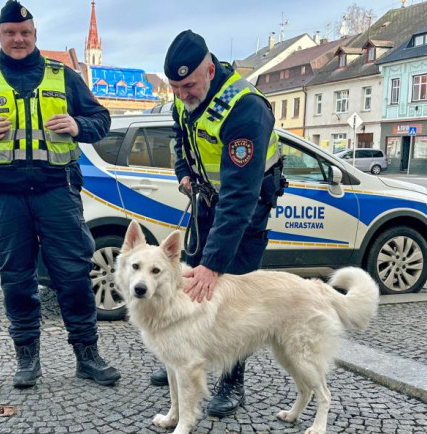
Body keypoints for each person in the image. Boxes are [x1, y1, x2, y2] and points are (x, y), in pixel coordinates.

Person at [0, 0, 120, 389]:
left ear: (35, 35)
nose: (18, 39)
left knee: (74, 276)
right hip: (6, 197)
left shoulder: (65, 76)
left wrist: (77, 124)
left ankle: (87, 356)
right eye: (10, 33)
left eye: (25, 33)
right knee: (17, 280)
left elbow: (102, 120)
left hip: (57, 192)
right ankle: (27, 360)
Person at [150, 30, 285, 417]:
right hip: (207, 202)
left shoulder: (244, 108)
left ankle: (231, 380)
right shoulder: (182, 99)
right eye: (175, 87)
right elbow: (181, 139)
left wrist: (214, 264)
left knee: (233, 299)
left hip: (247, 210)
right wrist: (184, 172)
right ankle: (182, 354)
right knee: (188, 286)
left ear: (210, 69)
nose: (182, 94)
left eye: (189, 85)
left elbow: (240, 195)